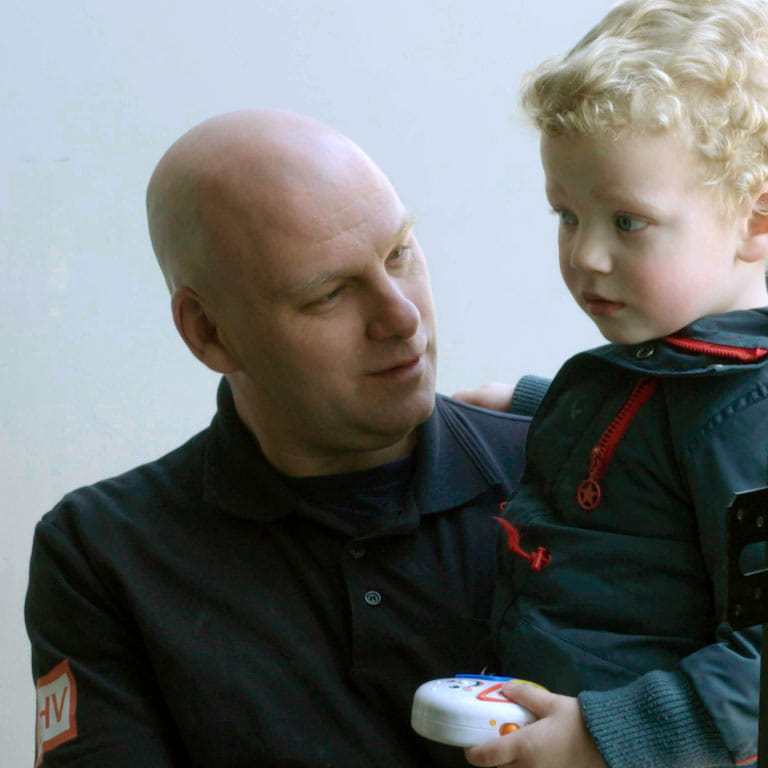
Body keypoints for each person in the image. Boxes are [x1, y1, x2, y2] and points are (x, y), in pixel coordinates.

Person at [24, 110, 536, 767]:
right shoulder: (102, 553)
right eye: (329, 293)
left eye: (399, 253)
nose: (402, 315)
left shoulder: (579, 478)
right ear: (208, 332)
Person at [459, 2, 768, 766]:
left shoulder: (753, 419)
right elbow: (659, 426)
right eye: (567, 215)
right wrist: (539, 408)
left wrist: (607, 739)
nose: (585, 256)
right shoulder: (683, 364)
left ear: (755, 219)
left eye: (626, 222)